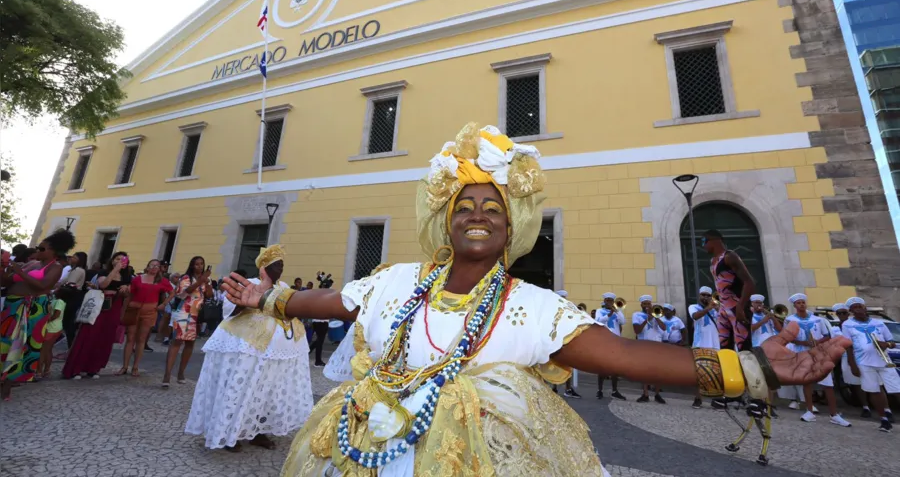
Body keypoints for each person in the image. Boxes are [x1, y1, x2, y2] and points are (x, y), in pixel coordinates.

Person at [221, 123, 848, 477]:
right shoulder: (394, 281)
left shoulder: (533, 306)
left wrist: (755, 369)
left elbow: (629, 357)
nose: (475, 215)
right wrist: (267, 296)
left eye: (491, 208)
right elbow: (328, 304)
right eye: (463, 205)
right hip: (358, 448)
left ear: (512, 227)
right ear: (445, 220)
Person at [185, 245, 313, 451]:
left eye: (281, 265)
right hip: (248, 346)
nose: (280, 269)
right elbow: (230, 310)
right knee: (242, 387)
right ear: (264, 267)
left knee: (267, 390)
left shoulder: (284, 287)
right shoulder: (250, 284)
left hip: (276, 350)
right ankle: (230, 433)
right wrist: (248, 301)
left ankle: (258, 430)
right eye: (275, 265)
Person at [1, 229, 71, 399]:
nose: (38, 251)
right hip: (13, 305)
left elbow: (43, 286)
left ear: (53, 251)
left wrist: (19, 272)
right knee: (4, 341)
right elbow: (5, 281)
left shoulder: (56, 267)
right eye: (38, 248)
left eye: (42, 249)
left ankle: (7, 386)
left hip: (33, 308)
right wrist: (3, 268)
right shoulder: (31, 264)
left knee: (21, 344)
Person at [779, 293, 850, 426]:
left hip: (819, 353)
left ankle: (834, 414)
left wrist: (817, 342)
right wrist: (803, 343)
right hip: (802, 353)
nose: (801, 304)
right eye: (798, 303)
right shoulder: (789, 320)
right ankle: (809, 411)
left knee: (827, 384)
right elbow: (787, 337)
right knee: (807, 382)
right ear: (794, 305)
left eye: (803, 302)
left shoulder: (817, 319)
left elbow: (827, 335)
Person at [63, 252, 131, 380]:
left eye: (123, 260)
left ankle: (93, 368)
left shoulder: (126, 276)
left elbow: (128, 295)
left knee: (104, 338)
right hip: (100, 304)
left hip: (115, 307)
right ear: (112, 260)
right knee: (89, 334)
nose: (120, 261)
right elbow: (103, 285)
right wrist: (115, 270)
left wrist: (126, 289)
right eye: (117, 259)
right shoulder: (103, 273)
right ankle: (75, 368)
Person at [842, 296, 899, 433]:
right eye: (854, 308)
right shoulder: (847, 325)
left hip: (884, 360)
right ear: (851, 311)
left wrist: (886, 344)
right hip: (863, 362)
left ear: (865, 308)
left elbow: (891, 341)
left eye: (860, 306)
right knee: (874, 391)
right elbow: (848, 346)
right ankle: (884, 419)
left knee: (897, 389)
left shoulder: (878, 323)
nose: (858, 309)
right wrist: (852, 364)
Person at [701, 230, 755, 351]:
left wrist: (741, 306)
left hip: (737, 306)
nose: (703, 246)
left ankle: (747, 369)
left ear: (715, 240)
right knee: (725, 348)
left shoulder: (729, 257)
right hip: (723, 309)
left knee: (743, 346)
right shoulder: (713, 261)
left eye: (704, 241)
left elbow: (749, 282)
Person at [118, 259, 173, 376]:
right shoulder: (138, 279)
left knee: (141, 339)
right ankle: (125, 366)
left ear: (159, 269)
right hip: (134, 308)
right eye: (152, 265)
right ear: (147, 267)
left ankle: (135, 367)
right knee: (130, 338)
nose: (154, 267)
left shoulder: (162, 281)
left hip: (150, 311)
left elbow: (173, 292)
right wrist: (124, 309)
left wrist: (164, 304)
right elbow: (130, 294)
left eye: (157, 266)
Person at [162, 256, 212, 387]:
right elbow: (186, 291)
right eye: (196, 264)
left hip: (197, 314)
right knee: (177, 342)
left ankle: (181, 372)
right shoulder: (186, 278)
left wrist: (207, 282)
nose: (199, 266)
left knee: (190, 343)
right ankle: (167, 374)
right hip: (183, 311)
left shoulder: (205, 279)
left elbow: (210, 295)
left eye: (201, 264)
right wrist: (201, 280)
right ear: (192, 266)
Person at [832, 303, 870, 418]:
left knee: (870, 381)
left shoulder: (854, 325)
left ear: (848, 313)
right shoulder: (834, 328)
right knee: (855, 383)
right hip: (843, 357)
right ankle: (865, 406)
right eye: (839, 313)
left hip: (861, 355)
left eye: (844, 313)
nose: (842, 315)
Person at [750, 294, 783, 414]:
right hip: (757, 348)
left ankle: (769, 405)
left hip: (771, 349)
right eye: (757, 303)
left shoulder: (768, 316)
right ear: (752, 304)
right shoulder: (750, 316)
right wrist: (764, 320)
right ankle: (758, 402)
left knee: (771, 378)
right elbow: (751, 328)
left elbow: (780, 329)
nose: (759, 305)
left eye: (760, 303)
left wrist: (772, 317)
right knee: (759, 377)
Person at [689, 286, 720, 408]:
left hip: (715, 344)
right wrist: (709, 308)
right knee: (699, 373)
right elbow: (695, 316)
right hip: (700, 344)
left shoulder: (716, 308)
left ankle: (716, 399)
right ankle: (698, 398)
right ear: (699, 296)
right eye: (703, 295)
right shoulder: (693, 307)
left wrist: (719, 309)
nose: (706, 297)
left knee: (716, 373)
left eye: (708, 295)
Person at [633, 294, 667, 403]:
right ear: (641, 305)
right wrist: (647, 319)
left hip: (657, 344)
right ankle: (645, 394)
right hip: (643, 345)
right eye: (645, 304)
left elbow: (664, 328)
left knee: (658, 370)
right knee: (644, 371)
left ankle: (657, 394)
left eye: (649, 303)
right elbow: (637, 330)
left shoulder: (658, 314)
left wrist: (655, 317)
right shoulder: (636, 315)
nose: (647, 305)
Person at [594, 292, 626, 400]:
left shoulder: (617, 312)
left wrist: (617, 311)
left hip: (615, 341)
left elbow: (623, 321)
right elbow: (598, 321)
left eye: (611, 301)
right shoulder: (600, 311)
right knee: (602, 367)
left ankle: (614, 390)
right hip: (604, 341)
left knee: (615, 368)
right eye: (607, 300)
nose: (609, 302)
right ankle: (600, 390)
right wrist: (609, 314)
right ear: (604, 301)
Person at [55, 252, 87, 349]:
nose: (71, 258)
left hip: (71, 297)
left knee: (68, 322)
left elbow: (70, 284)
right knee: (68, 321)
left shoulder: (77, 270)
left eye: (74, 257)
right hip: (72, 296)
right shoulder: (74, 270)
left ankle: (70, 345)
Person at [40, 295, 66, 377]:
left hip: (52, 328)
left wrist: (47, 321)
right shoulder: (55, 299)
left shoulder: (59, 301)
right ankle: (46, 370)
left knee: (43, 350)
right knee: (48, 350)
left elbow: (57, 314)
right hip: (54, 327)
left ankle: (39, 371)